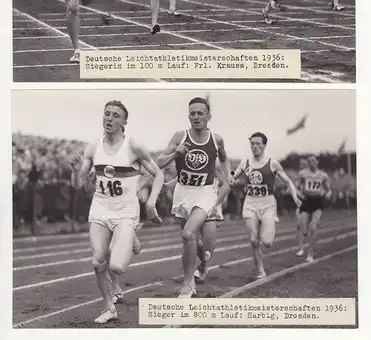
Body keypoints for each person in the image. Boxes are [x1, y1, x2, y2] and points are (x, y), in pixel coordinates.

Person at [70, 100, 164, 324]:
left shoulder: (133, 146)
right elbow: (77, 184)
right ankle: (109, 307)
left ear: (124, 122)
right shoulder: (93, 146)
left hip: (125, 211)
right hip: (101, 209)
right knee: (97, 262)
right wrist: (75, 171)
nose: (109, 119)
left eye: (115, 115)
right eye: (106, 114)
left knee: (117, 266)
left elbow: (158, 175)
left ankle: (129, 235)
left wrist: (151, 203)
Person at [157, 97, 231, 297]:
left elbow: (224, 159)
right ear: (188, 116)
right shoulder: (180, 136)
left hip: (205, 192)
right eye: (192, 113)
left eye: (200, 113)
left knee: (188, 234)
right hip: (183, 192)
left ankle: (188, 283)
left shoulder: (217, 139)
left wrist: (229, 174)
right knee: (191, 241)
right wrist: (175, 154)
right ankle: (203, 260)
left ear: (208, 116)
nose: (196, 117)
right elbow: (159, 162)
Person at [232, 132, 301, 278]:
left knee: (267, 242)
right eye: (253, 143)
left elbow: (288, 181)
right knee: (253, 240)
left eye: (258, 144)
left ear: (264, 145)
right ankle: (260, 270)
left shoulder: (273, 163)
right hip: (250, 203)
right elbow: (233, 177)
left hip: (268, 204)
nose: (255, 146)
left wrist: (295, 197)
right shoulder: (245, 162)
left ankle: (266, 228)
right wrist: (229, 178)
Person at [295, 155, 331, 262]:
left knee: (313, 226)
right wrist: (300, 195)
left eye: (313, 161)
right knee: (304, 230)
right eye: (309, 161)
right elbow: (295, 188)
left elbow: (328, 189)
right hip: (306, 202)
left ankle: (310, 253)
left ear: (317, 162)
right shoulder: (302, 174)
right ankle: (305, 242)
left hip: (317, 202)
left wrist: (327, 193)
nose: (311, 163)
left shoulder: (323, 175)